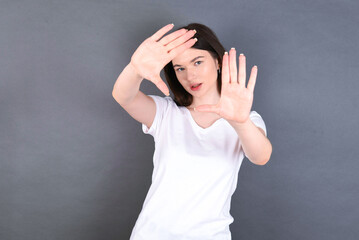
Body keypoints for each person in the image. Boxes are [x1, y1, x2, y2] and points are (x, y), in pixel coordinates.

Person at [112, 22, 272, 240]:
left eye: (197, 62)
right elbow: (124, 97)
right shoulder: (166, 113)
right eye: (180, 68)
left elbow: (261, 156)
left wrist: (240, 121)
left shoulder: (246, 120)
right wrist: (134, 69)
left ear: (217, 60)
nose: (190, 75)